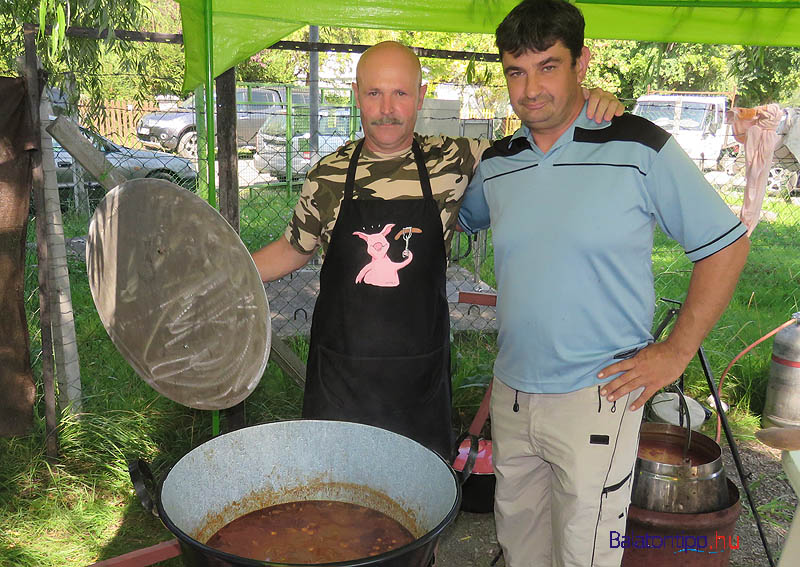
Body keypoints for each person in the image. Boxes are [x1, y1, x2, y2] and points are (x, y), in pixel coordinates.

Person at [457, 1, 750, 565]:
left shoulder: (637, 145)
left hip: (599, 396)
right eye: (516, 71)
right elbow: (451, 217)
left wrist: (676, 352)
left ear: (582, 63)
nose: (531, 88)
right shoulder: (497, 164)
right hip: (513, 396)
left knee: (586, 554)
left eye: (548, 65)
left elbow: (727, 244)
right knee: (520, 549)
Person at [252, 40, 623, 459]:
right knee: (336, 495)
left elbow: (538, 136)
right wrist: (231, 274)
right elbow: (292, 249)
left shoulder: (455, 159)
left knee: (416, 499)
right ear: (357, 94)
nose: (387, 108)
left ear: (421, 96)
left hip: (419, 374)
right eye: (374, 93)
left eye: (401, 93)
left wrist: (583, 103)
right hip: (340, 375)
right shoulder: (328, 174)